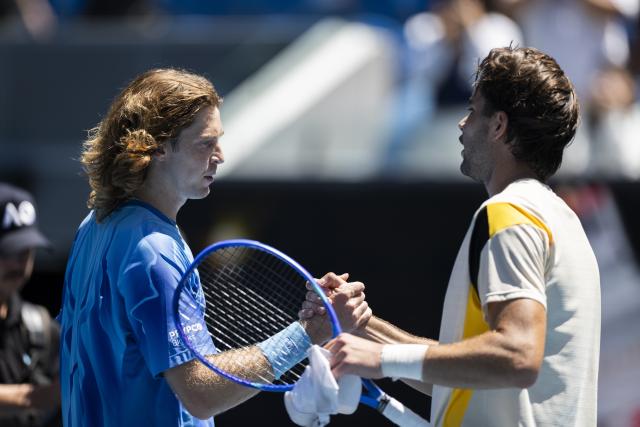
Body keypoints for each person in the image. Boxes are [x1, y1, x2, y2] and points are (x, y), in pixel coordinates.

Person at [57, 68, 371, 426]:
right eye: (205, 143)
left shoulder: (96, 224)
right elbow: (201, 394)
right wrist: (310, 333)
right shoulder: (153, 253)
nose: (220, 155)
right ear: (156, 148)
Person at [322, 46, 601, 426]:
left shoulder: (508, 215)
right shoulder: (563, 223)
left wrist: (381, 359)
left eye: (472, 111)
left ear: (499, 125)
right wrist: (362, 327)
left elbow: (518, 354)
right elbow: (472, 376)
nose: (461, 124)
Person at [0, 182, 61, 427]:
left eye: (25, 251)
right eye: (7, 251)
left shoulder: (40, 328)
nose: (18, 262)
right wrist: (33, 397)